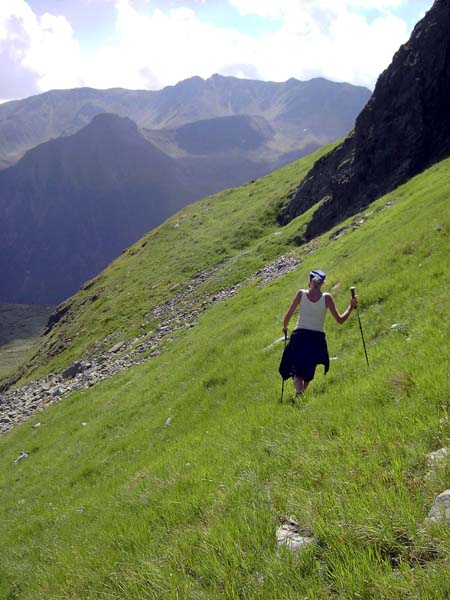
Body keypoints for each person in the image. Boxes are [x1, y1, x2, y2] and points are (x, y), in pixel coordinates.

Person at [279, 269, 358, 397]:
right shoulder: (326, 298)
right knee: (309, 370)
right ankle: (301, 394)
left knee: (297, 370)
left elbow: (288, 315)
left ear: (309, 282)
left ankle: (299, 393)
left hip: (299, 336)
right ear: (322, 283)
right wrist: (351, 306)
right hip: (316, 339)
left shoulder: (301, 294)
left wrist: (285, 327)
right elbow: (340, 320)